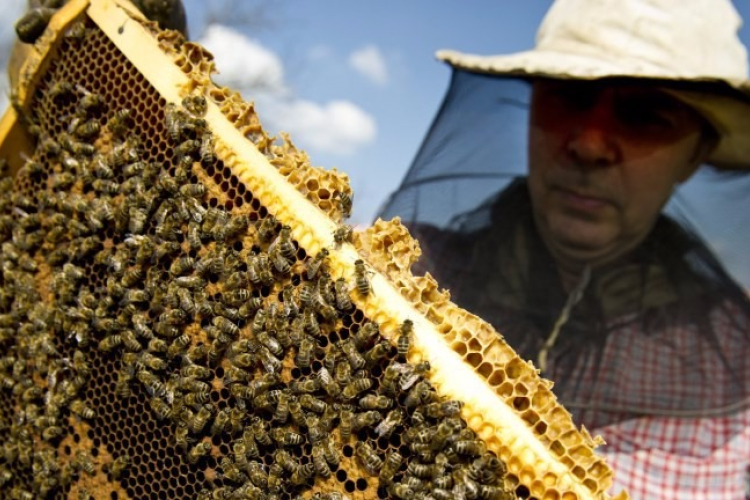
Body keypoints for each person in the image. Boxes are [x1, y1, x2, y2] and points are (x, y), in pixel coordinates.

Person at [377, 0, 750, 498]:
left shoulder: (732, 362)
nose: (590, 145)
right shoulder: (401, 270)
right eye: (570, 97)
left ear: (696, 154)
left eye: (644, 116)